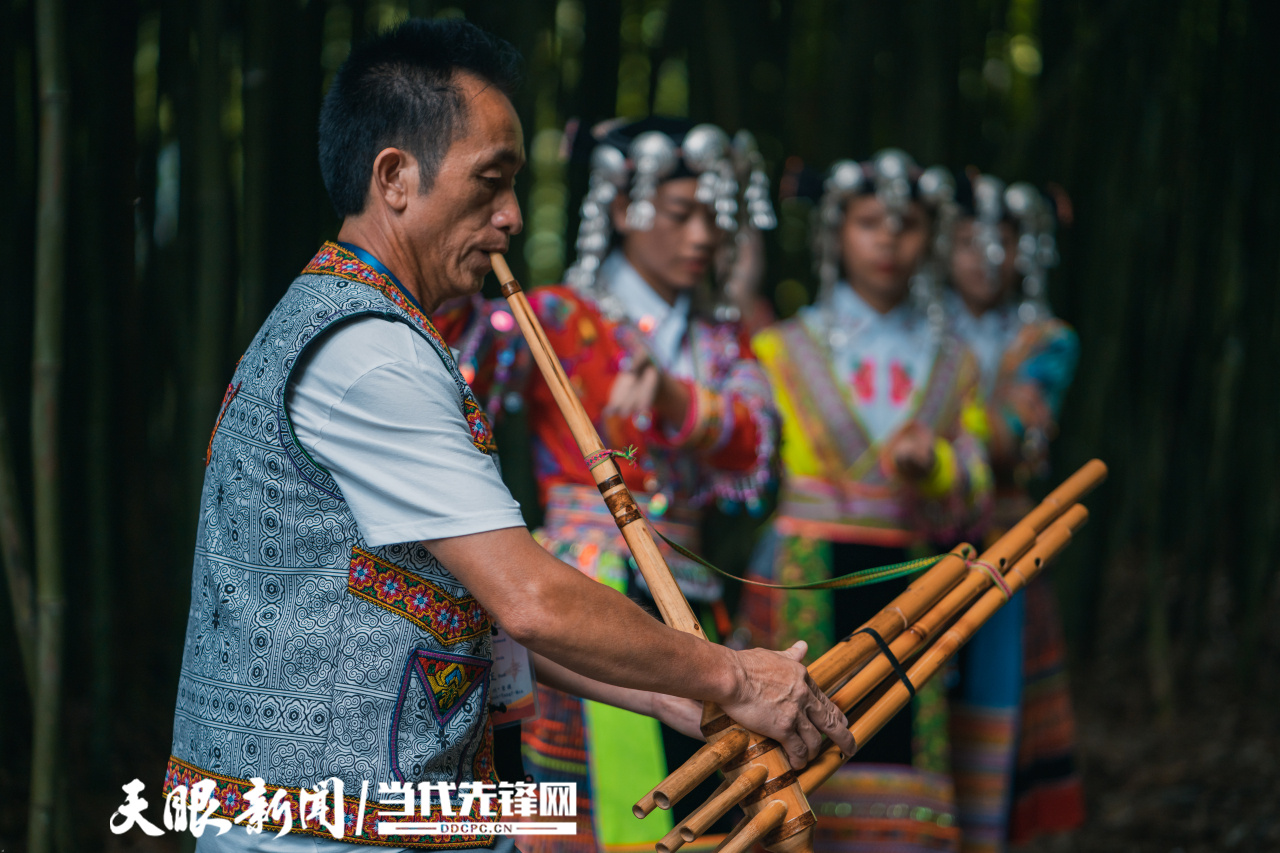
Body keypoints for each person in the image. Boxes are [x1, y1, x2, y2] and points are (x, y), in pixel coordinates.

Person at [161, 20, 855, 853]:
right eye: (492, 182)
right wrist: (734, 674)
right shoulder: (372, 354)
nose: (513, 216)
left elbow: (466, 597)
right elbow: (526, 597)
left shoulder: (359, 323)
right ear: (394, 178)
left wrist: (679, 695)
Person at [471, 117, 779, 853]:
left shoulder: (721, 337)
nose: (701, 235)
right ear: (619, 209)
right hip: (584, 598)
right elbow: (466, 386)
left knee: (705, 803)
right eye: (680, 214)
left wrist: (675, 399)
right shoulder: (551, 316)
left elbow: (757, 448)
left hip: (694, 603)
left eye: (714, 216)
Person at [741, 150, 992, 853]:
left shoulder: (955, 361)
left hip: (913, 579)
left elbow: (977, 481)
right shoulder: (779, 347)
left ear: (930, 237)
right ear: (835, 231)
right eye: (868, 222)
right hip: (804, 574)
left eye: (907, 224)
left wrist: (936, 463)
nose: (888, 240)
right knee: (793, 756)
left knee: (900, 759)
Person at [945, 172, 1083, 852]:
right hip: (919, 541)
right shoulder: (913, 329)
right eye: (967, 241)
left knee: (990, 713)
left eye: (1000, 242)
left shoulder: (1045, 340)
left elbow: (1017, 444)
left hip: (1003, 547)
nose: (983, 259)